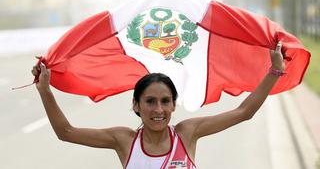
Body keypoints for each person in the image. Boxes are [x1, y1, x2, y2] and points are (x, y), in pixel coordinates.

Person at [31, 42, 285, 168]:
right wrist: (44, 90)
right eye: (150, 102)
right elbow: (66, 133)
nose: (158, 110)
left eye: (165, 101)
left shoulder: (188, 133)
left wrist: (274, 71)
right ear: (136, 106)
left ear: (174, 105)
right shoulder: (124, 140)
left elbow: (244, 112)